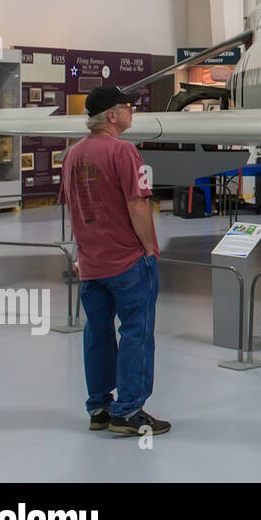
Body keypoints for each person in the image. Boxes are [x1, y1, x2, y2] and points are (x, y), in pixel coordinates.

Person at [59, 85, 169, 436]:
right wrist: (150, 247)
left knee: (98, 335)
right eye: (127, 107)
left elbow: (71, 205)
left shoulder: (72, 155)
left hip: (91, 265)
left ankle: (100, 407)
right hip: (127, 262)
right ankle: (129, 410)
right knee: (137, 331)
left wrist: (80, 250)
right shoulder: (124, 152)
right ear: (112, 115)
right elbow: (137, 204)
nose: (132, 111)